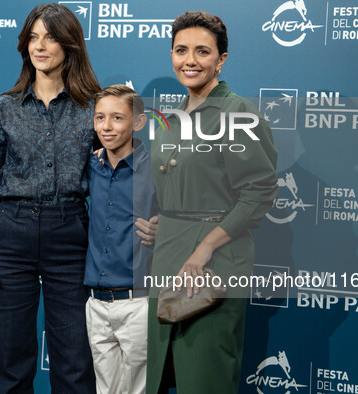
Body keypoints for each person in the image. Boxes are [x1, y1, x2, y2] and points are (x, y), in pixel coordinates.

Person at [0, 4, 101, 393]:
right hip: (10, 234)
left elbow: (114, 175)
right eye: (33, 37)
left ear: (70, 44)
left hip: (71, 235)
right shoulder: (5, 108)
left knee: (76, 363)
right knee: (10, 362)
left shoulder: (94, 107)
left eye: (51, 37)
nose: (40, 46)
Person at [146, 11, 279, 394]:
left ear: (221, 59)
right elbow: (182, 184)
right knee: (163, 377)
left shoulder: (239, 114)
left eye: (202, 51)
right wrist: (165, 221)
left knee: (204, 377)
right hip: (168, 257)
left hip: (214, 266)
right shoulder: (173, 117)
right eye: (180, 50)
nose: (190, 60)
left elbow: (260, 193)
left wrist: (204, 248)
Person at [84, 85, 158, 394]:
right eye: (100, 117)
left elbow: (187, 219)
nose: (106, 126)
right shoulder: (89, 166)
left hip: (138, 302)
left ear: (138, 122)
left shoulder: (157, 169)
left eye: (117, 118)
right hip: (95, 303)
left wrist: (165, 227)